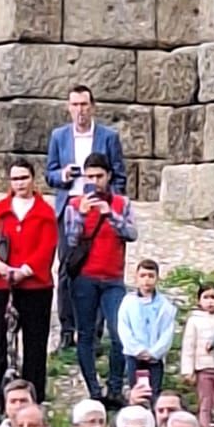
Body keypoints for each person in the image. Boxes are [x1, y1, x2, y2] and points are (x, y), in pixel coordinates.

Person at [0, 158, 58, 407]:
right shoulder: (0, 209)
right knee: (2, 342)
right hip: (3, 286)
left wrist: (26, 270)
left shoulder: (45, 212)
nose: (20, 183)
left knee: (35, 345)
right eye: (15, 179)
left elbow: (47, 246)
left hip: (35, 287)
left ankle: (34, 397)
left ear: (33, 179)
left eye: (24, 178)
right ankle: (0, 398)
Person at [46, 85, 127, 344]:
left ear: (92, 107)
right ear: (68, 107)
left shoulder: (108, 137)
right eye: (75, 105)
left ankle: (94, 331)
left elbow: (119, 173)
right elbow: (50, 173)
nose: (79, 110)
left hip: (99, 207)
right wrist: (63, 175)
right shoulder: (59, 136)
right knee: (67, 267)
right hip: (71, 205)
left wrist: (110, 201)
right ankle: (67, 330)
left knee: (100, 268)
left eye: (84, 105)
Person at [64, 155, 137, 407]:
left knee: (119, 334)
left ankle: (115, 387)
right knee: (85, 334)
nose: (94, 182)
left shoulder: (121, 203)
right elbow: (71, 241)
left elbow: (131, 233)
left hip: (113, 277)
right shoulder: (75, 204)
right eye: (90, 177)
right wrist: (83, 216)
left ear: (108, 176)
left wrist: (111, 215)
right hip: (85, 277)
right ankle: (94, 390)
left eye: (99, 176)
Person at [117, 258, 177, 401]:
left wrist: (154, 352)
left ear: (157, 278)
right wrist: (137, 350)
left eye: (151, 276)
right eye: (143, 276)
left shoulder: (165, 305)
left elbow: (167, 332)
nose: (146, 280)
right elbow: (124, 328)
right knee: (136, 392)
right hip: (134, 356)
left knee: (154, 393)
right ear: (136, 278)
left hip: (155, 359)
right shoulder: (128, 302)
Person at [180, 280, 214, 427]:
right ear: (199, 300)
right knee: (205, 402)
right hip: (203, 369)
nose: (210, 301)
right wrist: (187, 370)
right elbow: (188, 346)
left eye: (213, 297)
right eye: (206, 297)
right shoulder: (194, 320)